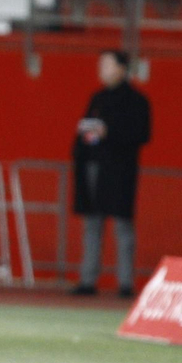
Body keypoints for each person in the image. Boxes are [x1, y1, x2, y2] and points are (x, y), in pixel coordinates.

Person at [71, 50, 152, 298]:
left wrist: (109, 133)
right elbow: (85, 132)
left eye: (107, 65)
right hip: (94, 167)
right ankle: (88, 279)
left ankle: (125, 282)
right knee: (92, 224)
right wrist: (87, 139)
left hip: (119, 170)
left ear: (121, 69)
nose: (101, 69)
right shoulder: (98, 98)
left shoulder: (137, 101)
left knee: (122, 225)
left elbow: (142, 134)